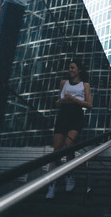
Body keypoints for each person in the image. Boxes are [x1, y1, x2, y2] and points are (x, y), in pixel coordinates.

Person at [45, 59, 92, 199]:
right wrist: (60, 102)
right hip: (63, 114)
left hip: (76, 115)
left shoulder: (85, 85)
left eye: (72, 67)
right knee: (57, 148)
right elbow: (59, 102)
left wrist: (73, 99)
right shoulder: (63, 83)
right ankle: (52, 184)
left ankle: (70, 174)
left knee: (69, 145)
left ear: (79, 70)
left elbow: (89, 105)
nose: (70, 70)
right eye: (69, 68)